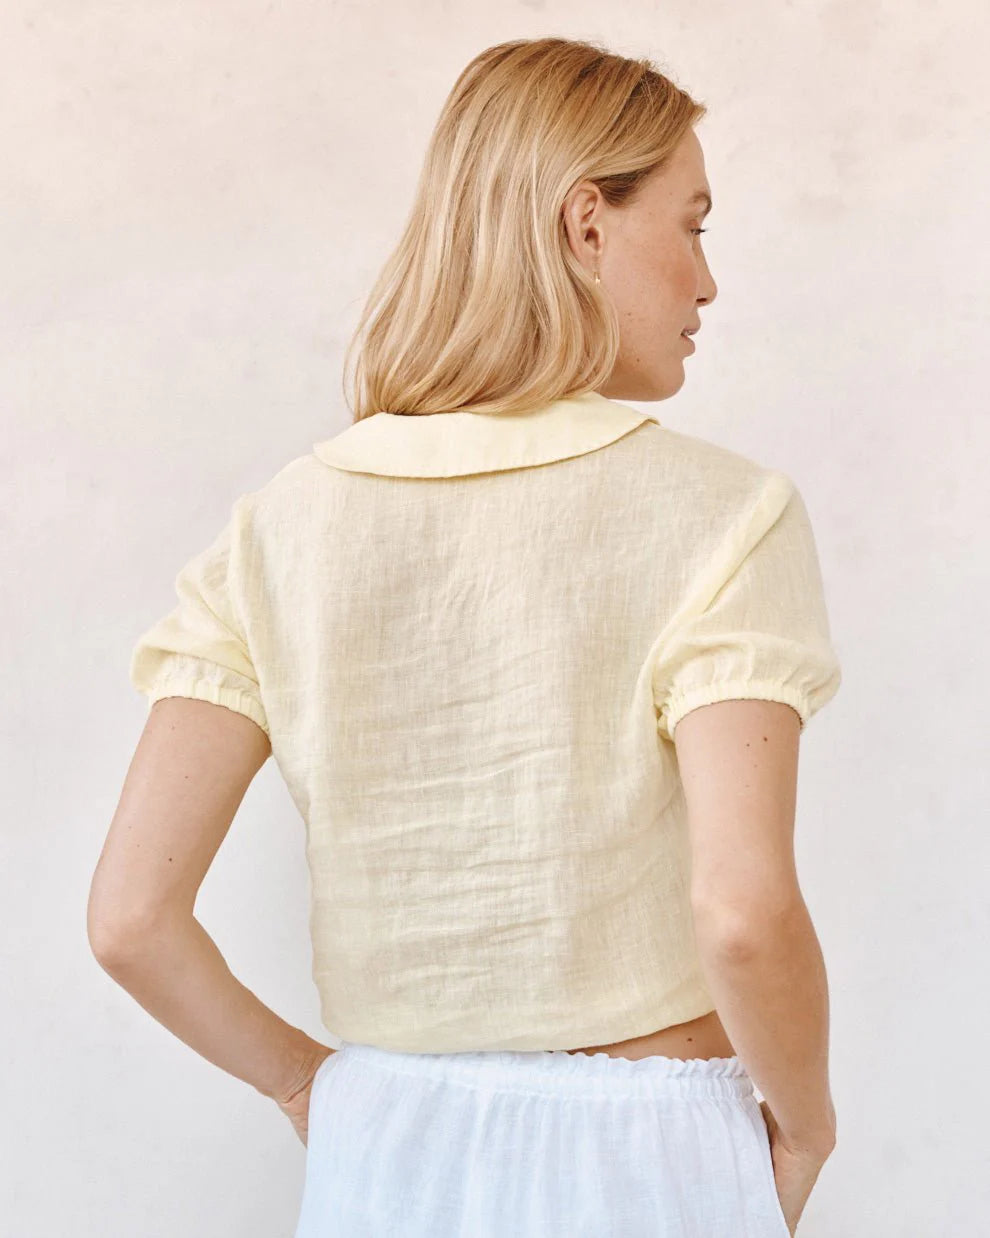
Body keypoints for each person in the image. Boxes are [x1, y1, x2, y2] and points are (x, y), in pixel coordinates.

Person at [88, 36, 841, 1237]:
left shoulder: (281, 527)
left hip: (386, 1148)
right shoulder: (723, 515)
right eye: (693, 226)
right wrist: (804, 1125)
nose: (707, 282)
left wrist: (306, 1084)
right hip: (646, 1148)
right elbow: (742, 911)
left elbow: (131, 917)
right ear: (586, 224)